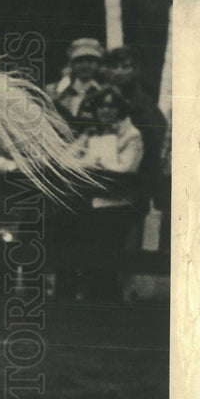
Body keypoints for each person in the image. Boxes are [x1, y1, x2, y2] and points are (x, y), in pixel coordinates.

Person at [67, 86, 144, 302]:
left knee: (109, 261)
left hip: (118, 206)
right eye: (102, 105)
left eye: (111, 106)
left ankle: (110, 307)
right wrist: (86, 160)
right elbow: (68, 159)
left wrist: (98, 163)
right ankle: (92, 307)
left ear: (120, 109)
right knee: (91, 259)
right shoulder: (93, 133)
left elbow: (127, 168)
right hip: (94, 204)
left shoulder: (131, 135)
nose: (106, 110)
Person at [104, 46, 168, 178]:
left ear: (135, 70)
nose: (119, 72)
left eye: (125, 67)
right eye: (114, 67)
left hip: (138, 172)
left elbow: (155, 140)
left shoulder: (144, 104)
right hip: (105, 168)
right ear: (108, 70)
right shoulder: (102, 99)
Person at [45, 38, 104, 129]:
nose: (85, 66)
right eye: (79, 61)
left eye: (90, 61)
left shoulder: (103, 91)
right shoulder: (55, 91)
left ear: (98, 64)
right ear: (71, 64)